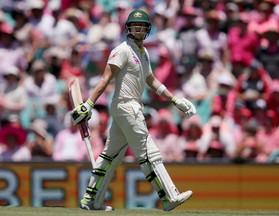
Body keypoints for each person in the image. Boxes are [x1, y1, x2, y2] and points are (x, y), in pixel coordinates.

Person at [70, 9, 196, 211]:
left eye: (142, 26)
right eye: (135, 26)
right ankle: (168, 197)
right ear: (128, 28)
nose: (138, 29)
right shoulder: (121, 50)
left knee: (110, 156)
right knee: (148, 152)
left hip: (130, 105)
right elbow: (106, 78)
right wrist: (89, 103)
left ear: (147, 29)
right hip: (126, 105)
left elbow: (151, 81)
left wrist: (175, 100)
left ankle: (91, 200)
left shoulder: (143, 52)